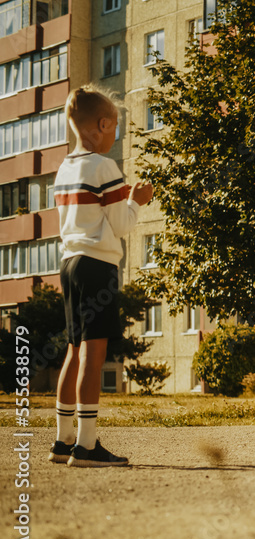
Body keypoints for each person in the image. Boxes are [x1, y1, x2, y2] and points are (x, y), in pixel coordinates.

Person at [48, 87, 154, 467]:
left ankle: (63, 442)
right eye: (116, 128)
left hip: (70, 263)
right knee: (95, 355)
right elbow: (122, 224)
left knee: (74, 352)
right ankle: (87, 446)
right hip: (97, 266)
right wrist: (137, 201)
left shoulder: (64, 169)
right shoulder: (104, 166)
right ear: (103, 124)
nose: (116, 135)